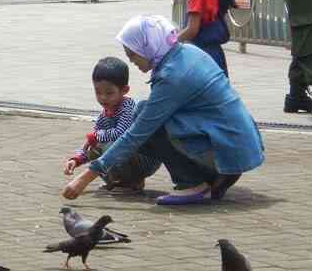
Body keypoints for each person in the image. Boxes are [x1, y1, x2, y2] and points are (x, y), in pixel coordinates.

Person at [63, 15, 265, 205]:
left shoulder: (172, 76)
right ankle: (215, 175)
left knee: (146, 122)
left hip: (228, 146)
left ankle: (192, 183)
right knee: (143, 110)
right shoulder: (188, 52)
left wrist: (86, 177)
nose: (132, 61)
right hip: (238, 143)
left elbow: (137, 134)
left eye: (133, 54)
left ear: (148, 46)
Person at [63, 57, 161, 194]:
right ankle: (122, 181)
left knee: (106, 144)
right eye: (98, 92)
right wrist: (77, 159)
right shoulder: (105, 114)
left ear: (124, 90)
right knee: (95, 147)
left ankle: (131, 182)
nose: (103, 98)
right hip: (128, 156)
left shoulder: (128, 108)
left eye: (109, 93)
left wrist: (96, 136)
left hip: (145, 158)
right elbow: (92, 140)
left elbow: (122, 134)